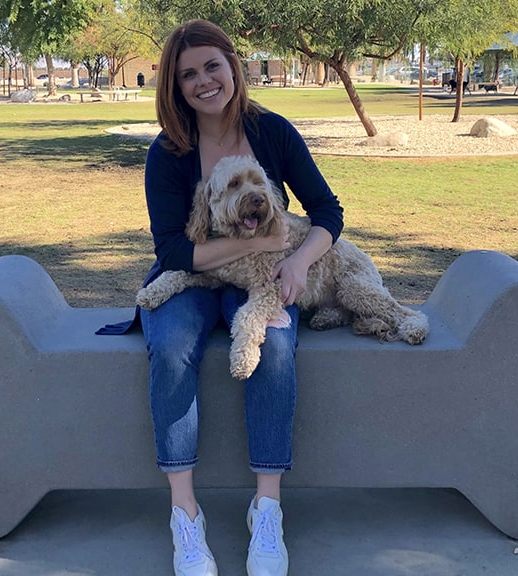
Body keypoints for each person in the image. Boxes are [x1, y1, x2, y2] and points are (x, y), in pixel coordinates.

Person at [99, 18, 343, 576]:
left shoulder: (273, 132)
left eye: (212, 65)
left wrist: (299, 261)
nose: (204, 81)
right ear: (174, 86)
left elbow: (327, 211)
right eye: (188, 74)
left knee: (275, 345)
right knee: (173, 344)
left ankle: (267, 509)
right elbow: (172, 249)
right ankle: (185, 515)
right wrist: (256, 240)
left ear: (233, 66)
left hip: (264, 275)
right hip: (193, 276)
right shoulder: (168, 153)